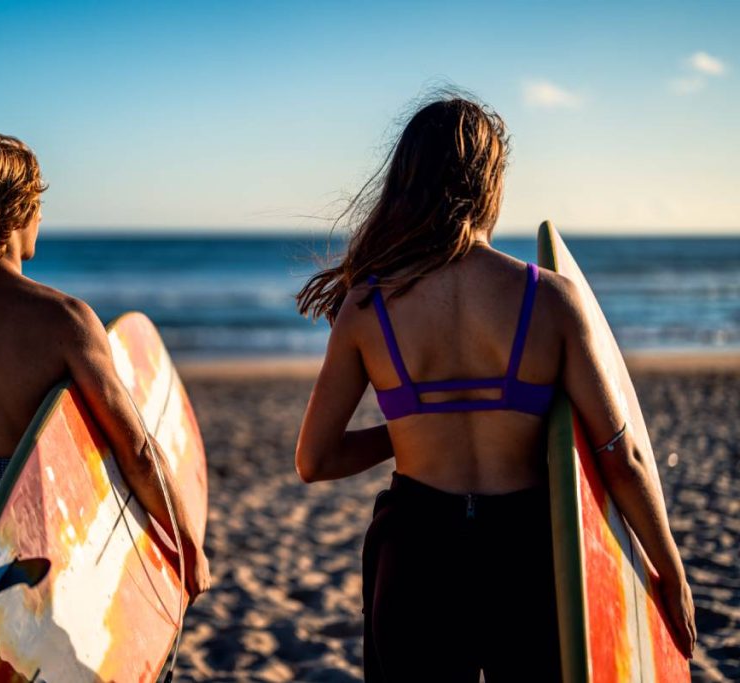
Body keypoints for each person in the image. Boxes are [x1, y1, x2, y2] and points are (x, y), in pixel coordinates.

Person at [294, 95, 695, 680]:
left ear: (407, 182)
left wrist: (410, 429)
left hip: (415, 553)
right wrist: (671, 571)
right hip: (527, 555)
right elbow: (622, 455)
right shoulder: (552, 299)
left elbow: (315, 459)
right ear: (489, 183)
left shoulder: (367, 306)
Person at [0, 132, 210, 681]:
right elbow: (138, 450)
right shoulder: (63, 320)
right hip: (43, 560)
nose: (41, 221)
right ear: (18, 210)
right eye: (39, 207)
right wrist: (187, 543)